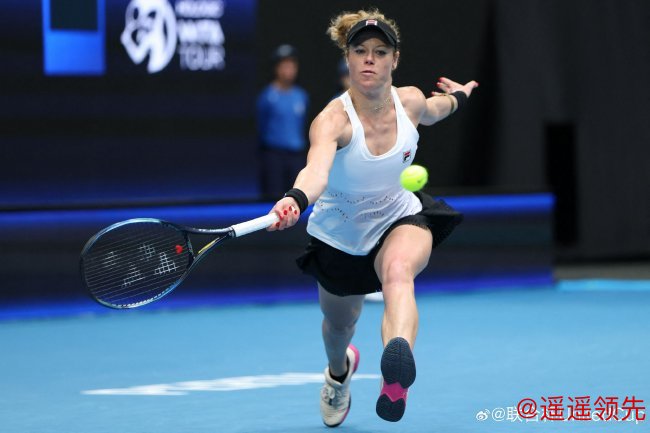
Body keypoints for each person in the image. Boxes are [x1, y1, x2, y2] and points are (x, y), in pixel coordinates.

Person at [267, 9, 478, 426]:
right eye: (360, 50)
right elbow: (315, 173)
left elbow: (438, 108)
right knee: (338, 328)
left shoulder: (409, 101)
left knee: (398, 272)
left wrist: (461, 96)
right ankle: (339, 372)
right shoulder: (333, 121)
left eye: (380, 52)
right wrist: (294, 199)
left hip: (398, 216)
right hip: (339, 237)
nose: (369, 59)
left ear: (394, 60)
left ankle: (395, 377)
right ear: (347, 58)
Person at [256, 44, 310, 199]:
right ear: (277, 68)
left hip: (296, 156)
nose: (289, 70)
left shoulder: (301, 96)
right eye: (284, 66)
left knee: (296, 197)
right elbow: (261, 125)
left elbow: (303, 124)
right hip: (274, 155)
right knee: (273, 197)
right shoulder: (267, 96)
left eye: (292, 66)